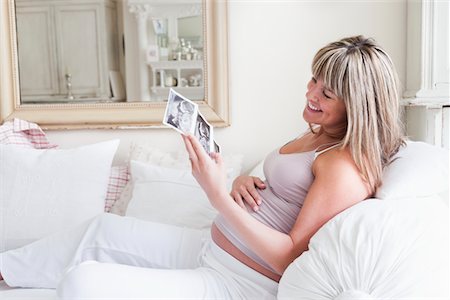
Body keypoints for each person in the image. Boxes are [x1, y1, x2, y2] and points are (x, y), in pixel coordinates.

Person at [0, 35, 405, 299]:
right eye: (313, 80)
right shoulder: (320, 135)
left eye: (326, 91)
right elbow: (286, 195)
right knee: (100, 228)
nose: (310, 93)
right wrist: (248, 182)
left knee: (81, 283)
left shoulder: (345, 167)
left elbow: (289, 259)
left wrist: (217, 194)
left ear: (358, 105)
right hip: (211, 249)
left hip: (239, 282)